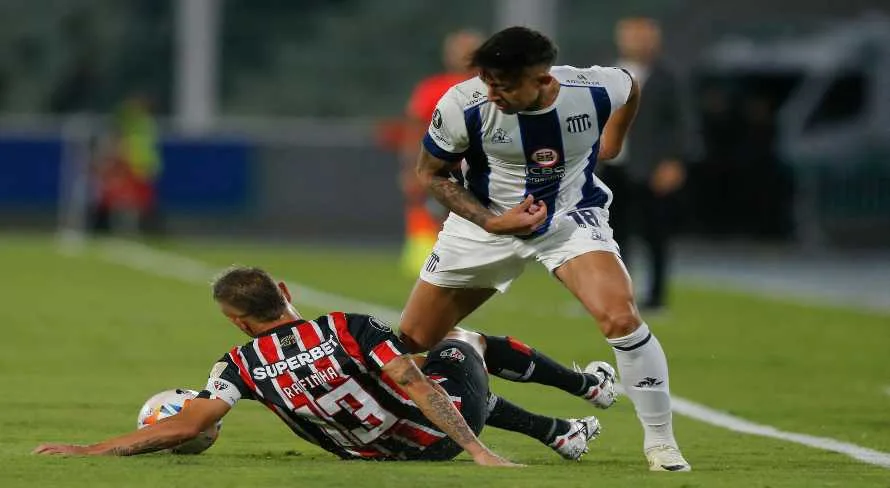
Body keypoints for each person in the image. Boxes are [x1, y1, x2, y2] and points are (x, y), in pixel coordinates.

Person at [399, 26, 691, 471]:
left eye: (504, 85)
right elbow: (430, 172)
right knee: (411, 343)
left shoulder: (591, 89)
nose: (492, 93)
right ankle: (583, 386)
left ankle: (662, 445)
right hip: (483, 226)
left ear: (542, 80)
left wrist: (613, 141)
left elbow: (631, 87)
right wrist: (492, 221)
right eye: (488, 82)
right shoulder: (463, 103)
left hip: (569, 218)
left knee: (621, 318)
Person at [34, 266, 618, 464]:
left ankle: (558, 432)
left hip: (367, 456)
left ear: (238, 322)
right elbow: (415, 385)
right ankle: (588, 387)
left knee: (431, 376)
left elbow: (188, 426)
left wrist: (87, 451)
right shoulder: (347, 327)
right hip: (431, 444)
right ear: (286, 293)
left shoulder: (237, 364)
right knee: (459, 341)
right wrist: (476, 449)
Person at [597, 17, 686, 311]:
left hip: (650, 166)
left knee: (654, 234)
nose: (637, 43)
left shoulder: (668, 77)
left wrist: (674, 161)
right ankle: (615, 296)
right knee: (609, 234)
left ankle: (656, 297)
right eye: (632, 36)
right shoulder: (606, 73)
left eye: (643, 37)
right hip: (611, 166)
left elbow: (681, 123)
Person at [397, 30, 484, 277]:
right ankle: (434, 268)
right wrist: (411, 169)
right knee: (437, 218)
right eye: (460, 51)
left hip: (482, 171)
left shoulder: (494, 87)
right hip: (443, 168)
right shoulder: (432, 88)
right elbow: (414, 130)